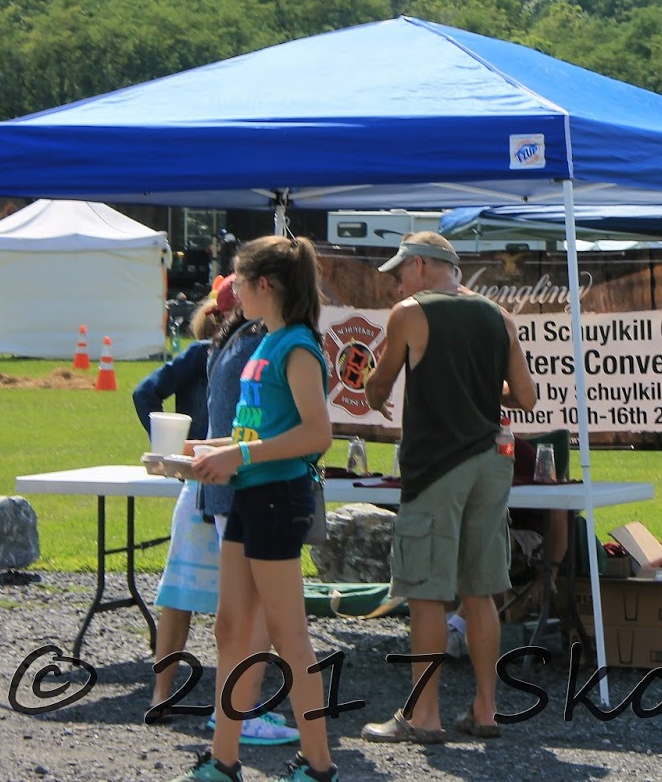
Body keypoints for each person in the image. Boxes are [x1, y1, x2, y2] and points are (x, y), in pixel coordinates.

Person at [360, 231, 536, 744]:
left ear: (419, 266)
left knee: (426, 594)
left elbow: (381, 383)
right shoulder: (499, 316)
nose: (397, 281)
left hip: (437, 466)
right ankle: (485, 711)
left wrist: (374, 394)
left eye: (399, 271)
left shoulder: (409, 312)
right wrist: (477, 383)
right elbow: (524, 396)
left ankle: (423, 716)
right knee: (479, 593)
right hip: (490, 462)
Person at [178, 237, 338, 782]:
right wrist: (207, 452)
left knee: (290, 637)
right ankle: (223, 762)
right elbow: (260, 429)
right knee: (230, 628)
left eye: (240, 283)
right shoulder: (266, 341)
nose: (232, 293)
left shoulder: (295, 345)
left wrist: (238, 454)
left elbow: (318, 435)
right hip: (250, 494)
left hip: (276, 498)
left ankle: (319, 767)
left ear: (264, 285)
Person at [137, 289, 298, 748]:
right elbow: (276, 430)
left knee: (191, 598)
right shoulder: (261, 345)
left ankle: (169, 696)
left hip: (206, 483)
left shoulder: (217, 349)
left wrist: (191, 447)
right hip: (240, 485)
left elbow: (154, 396)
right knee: (254, 608)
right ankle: (241, 711)